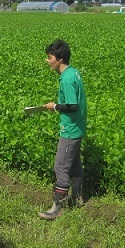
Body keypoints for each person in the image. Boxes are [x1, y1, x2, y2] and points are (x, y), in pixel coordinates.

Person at [39, 39, 87, 220]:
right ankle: (77, 198)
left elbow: (72, 105)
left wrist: (55, 106)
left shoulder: (66, 79)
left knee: (60, 166)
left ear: (59, 59)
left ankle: (57, 209)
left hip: (70, 130)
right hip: (78, 127)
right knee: (74, 164)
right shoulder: (74, 72)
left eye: (50, 57)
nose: (48, 61)